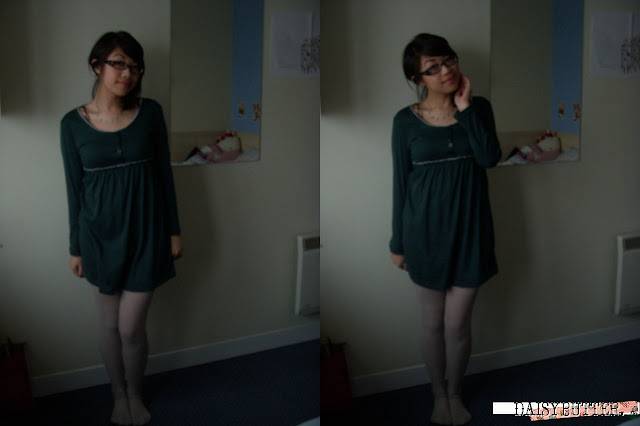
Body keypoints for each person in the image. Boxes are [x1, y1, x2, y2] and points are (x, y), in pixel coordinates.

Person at [60, 31, 183, 425]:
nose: (127, 73)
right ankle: (117, 395)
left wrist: (174, 231)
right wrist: (75, 246)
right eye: (118, 63)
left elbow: (164, 176)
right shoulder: (71, 124)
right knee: (109, 324)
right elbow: (74, 189)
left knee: (131, 328)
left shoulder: (151, 113)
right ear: (97, 65)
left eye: (134, 67)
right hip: (97, 238)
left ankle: (135, 392)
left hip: (148, 234)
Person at [389, 33, 501, 425]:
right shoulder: (405, 122)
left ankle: (455, 392)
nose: (445, 71)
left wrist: (465, 108)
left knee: (458, 325)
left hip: (471, 232)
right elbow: (400, 184)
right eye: (432, 68)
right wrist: (397, 243)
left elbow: (489, 158)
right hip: (423, 235)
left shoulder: (479, 108)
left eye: (448, 60)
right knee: (431, 323)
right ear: (417, 78)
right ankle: (438, 395)